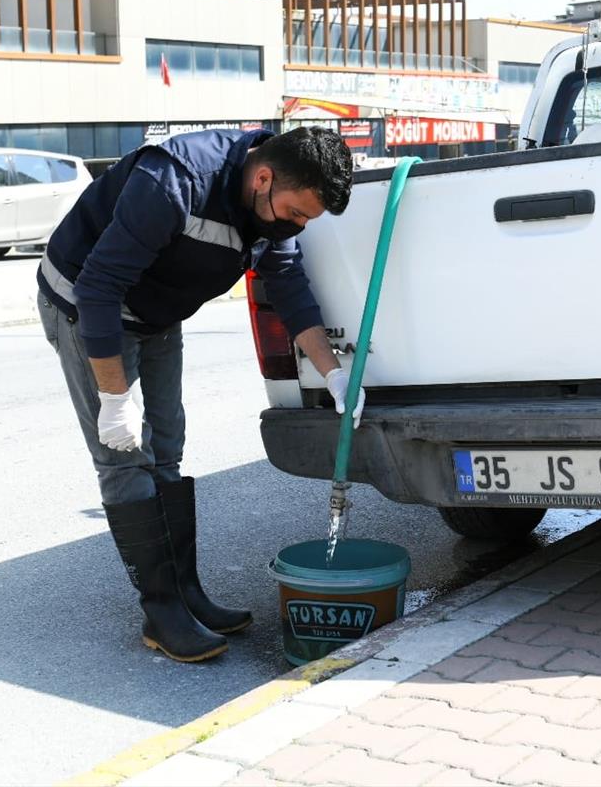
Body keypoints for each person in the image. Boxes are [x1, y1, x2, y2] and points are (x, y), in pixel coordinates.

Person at [37, 126, 362, 663]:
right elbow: (99, 287)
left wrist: (333, 373)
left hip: (157, 312)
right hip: (87, 304)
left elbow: (287, 285)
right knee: (123, 457)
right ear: (263, 178)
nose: (297, 226)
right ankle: (161, 611)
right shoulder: (172, 183)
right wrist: (115, 401)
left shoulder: (272, 202)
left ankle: (186, 593)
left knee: (168, 445)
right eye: (294, 213)